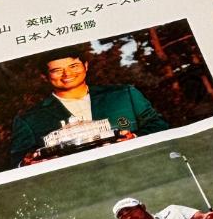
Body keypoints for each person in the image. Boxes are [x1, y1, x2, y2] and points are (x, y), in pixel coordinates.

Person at [9, 47, 169, 166]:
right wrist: (26, 163)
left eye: (73, 66)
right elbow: (17, 161)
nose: (67, 74)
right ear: (45, 76)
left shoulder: (124, 94)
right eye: (57, 70)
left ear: (85, 66)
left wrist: (134, 137)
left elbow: (159, 125)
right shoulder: (29, 120)